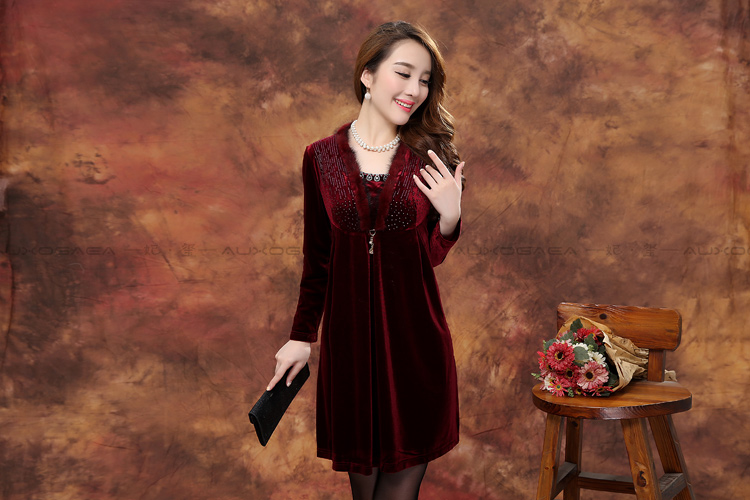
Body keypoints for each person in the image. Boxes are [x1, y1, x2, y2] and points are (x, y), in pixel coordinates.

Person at [266, 21, 464, 500]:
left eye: (425, 80)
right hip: (350, 350)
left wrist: (450, 217)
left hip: (415, 345)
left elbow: (428, 257)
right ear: (368, 75)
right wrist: (300, 337)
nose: (415, 90)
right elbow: (318, 258)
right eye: (404, 73)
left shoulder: (432, 157)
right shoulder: (320, 158)